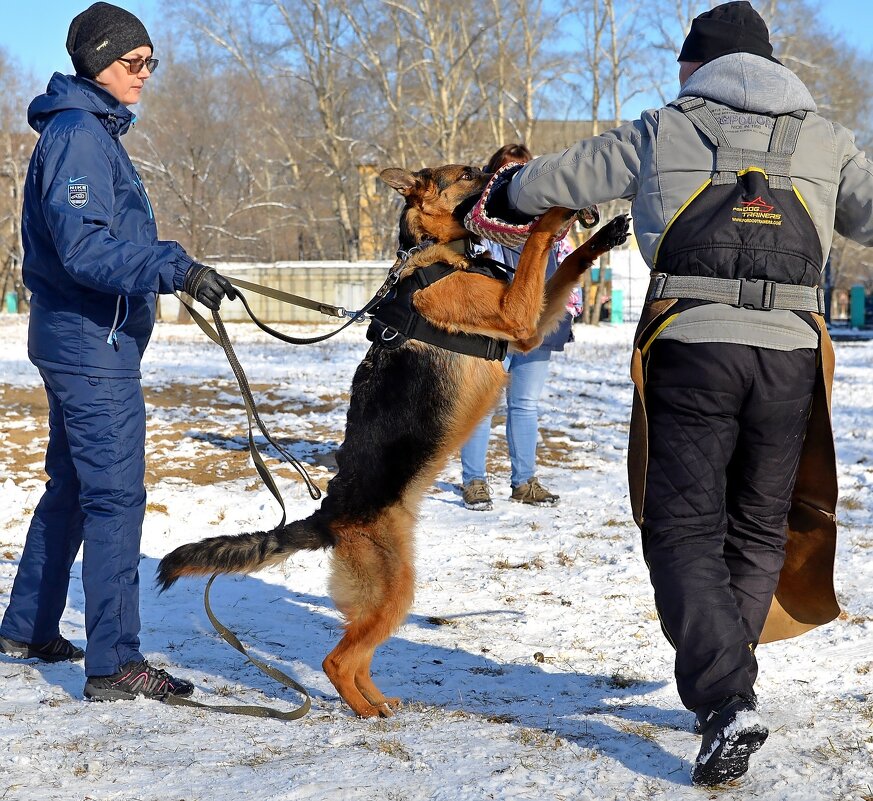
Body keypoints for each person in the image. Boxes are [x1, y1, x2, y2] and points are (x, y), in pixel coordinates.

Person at [468, 1, 870, 785]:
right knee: (756, 524)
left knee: (681, 527)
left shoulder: (662, 128)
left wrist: (505, 187)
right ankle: (730, 684)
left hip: (693, 348)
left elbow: (548, 183)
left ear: (695, 67)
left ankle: (724, 700)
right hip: (791, 355)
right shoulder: (825, 139)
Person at [0, 2, 235, 702]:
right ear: (98, 60)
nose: (144, 73)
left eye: (150, 62)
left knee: (73, 487)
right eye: (133, 61)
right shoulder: (77, 136)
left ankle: (28, 627)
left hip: (84, 338)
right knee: (114, 497)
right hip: (87, 342)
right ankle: (115, 662)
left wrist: (173, 267)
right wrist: (171, 266)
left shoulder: (89, 132)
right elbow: (83, 248)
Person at [461, 144, 573, 511]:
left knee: (525, 404)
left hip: (539, 324)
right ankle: (474, 482)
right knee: (482, 406)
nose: (517, 182)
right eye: (507, 173)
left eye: (524, 173)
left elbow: (564, 262)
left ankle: (524, 482)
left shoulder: (550, 223)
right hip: (494, 326)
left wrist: (566, 308)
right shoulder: (479, 224)